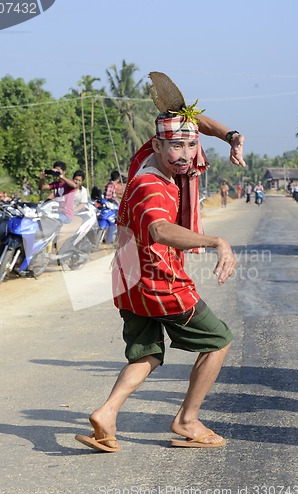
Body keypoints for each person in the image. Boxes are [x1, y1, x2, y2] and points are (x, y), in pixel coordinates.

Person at [75, 72, 246, 453]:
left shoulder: (150, 162)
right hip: (157, 279)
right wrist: (217, 241)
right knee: (218, 340)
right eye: (176, 147)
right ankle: (187, 419)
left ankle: (106, 414)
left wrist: (231, 137)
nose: (185, 155)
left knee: (148, 352)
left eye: (191, 145)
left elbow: (191, 120)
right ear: (157, 144)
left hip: (127, 279)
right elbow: (159, 229)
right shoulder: (153, 184)